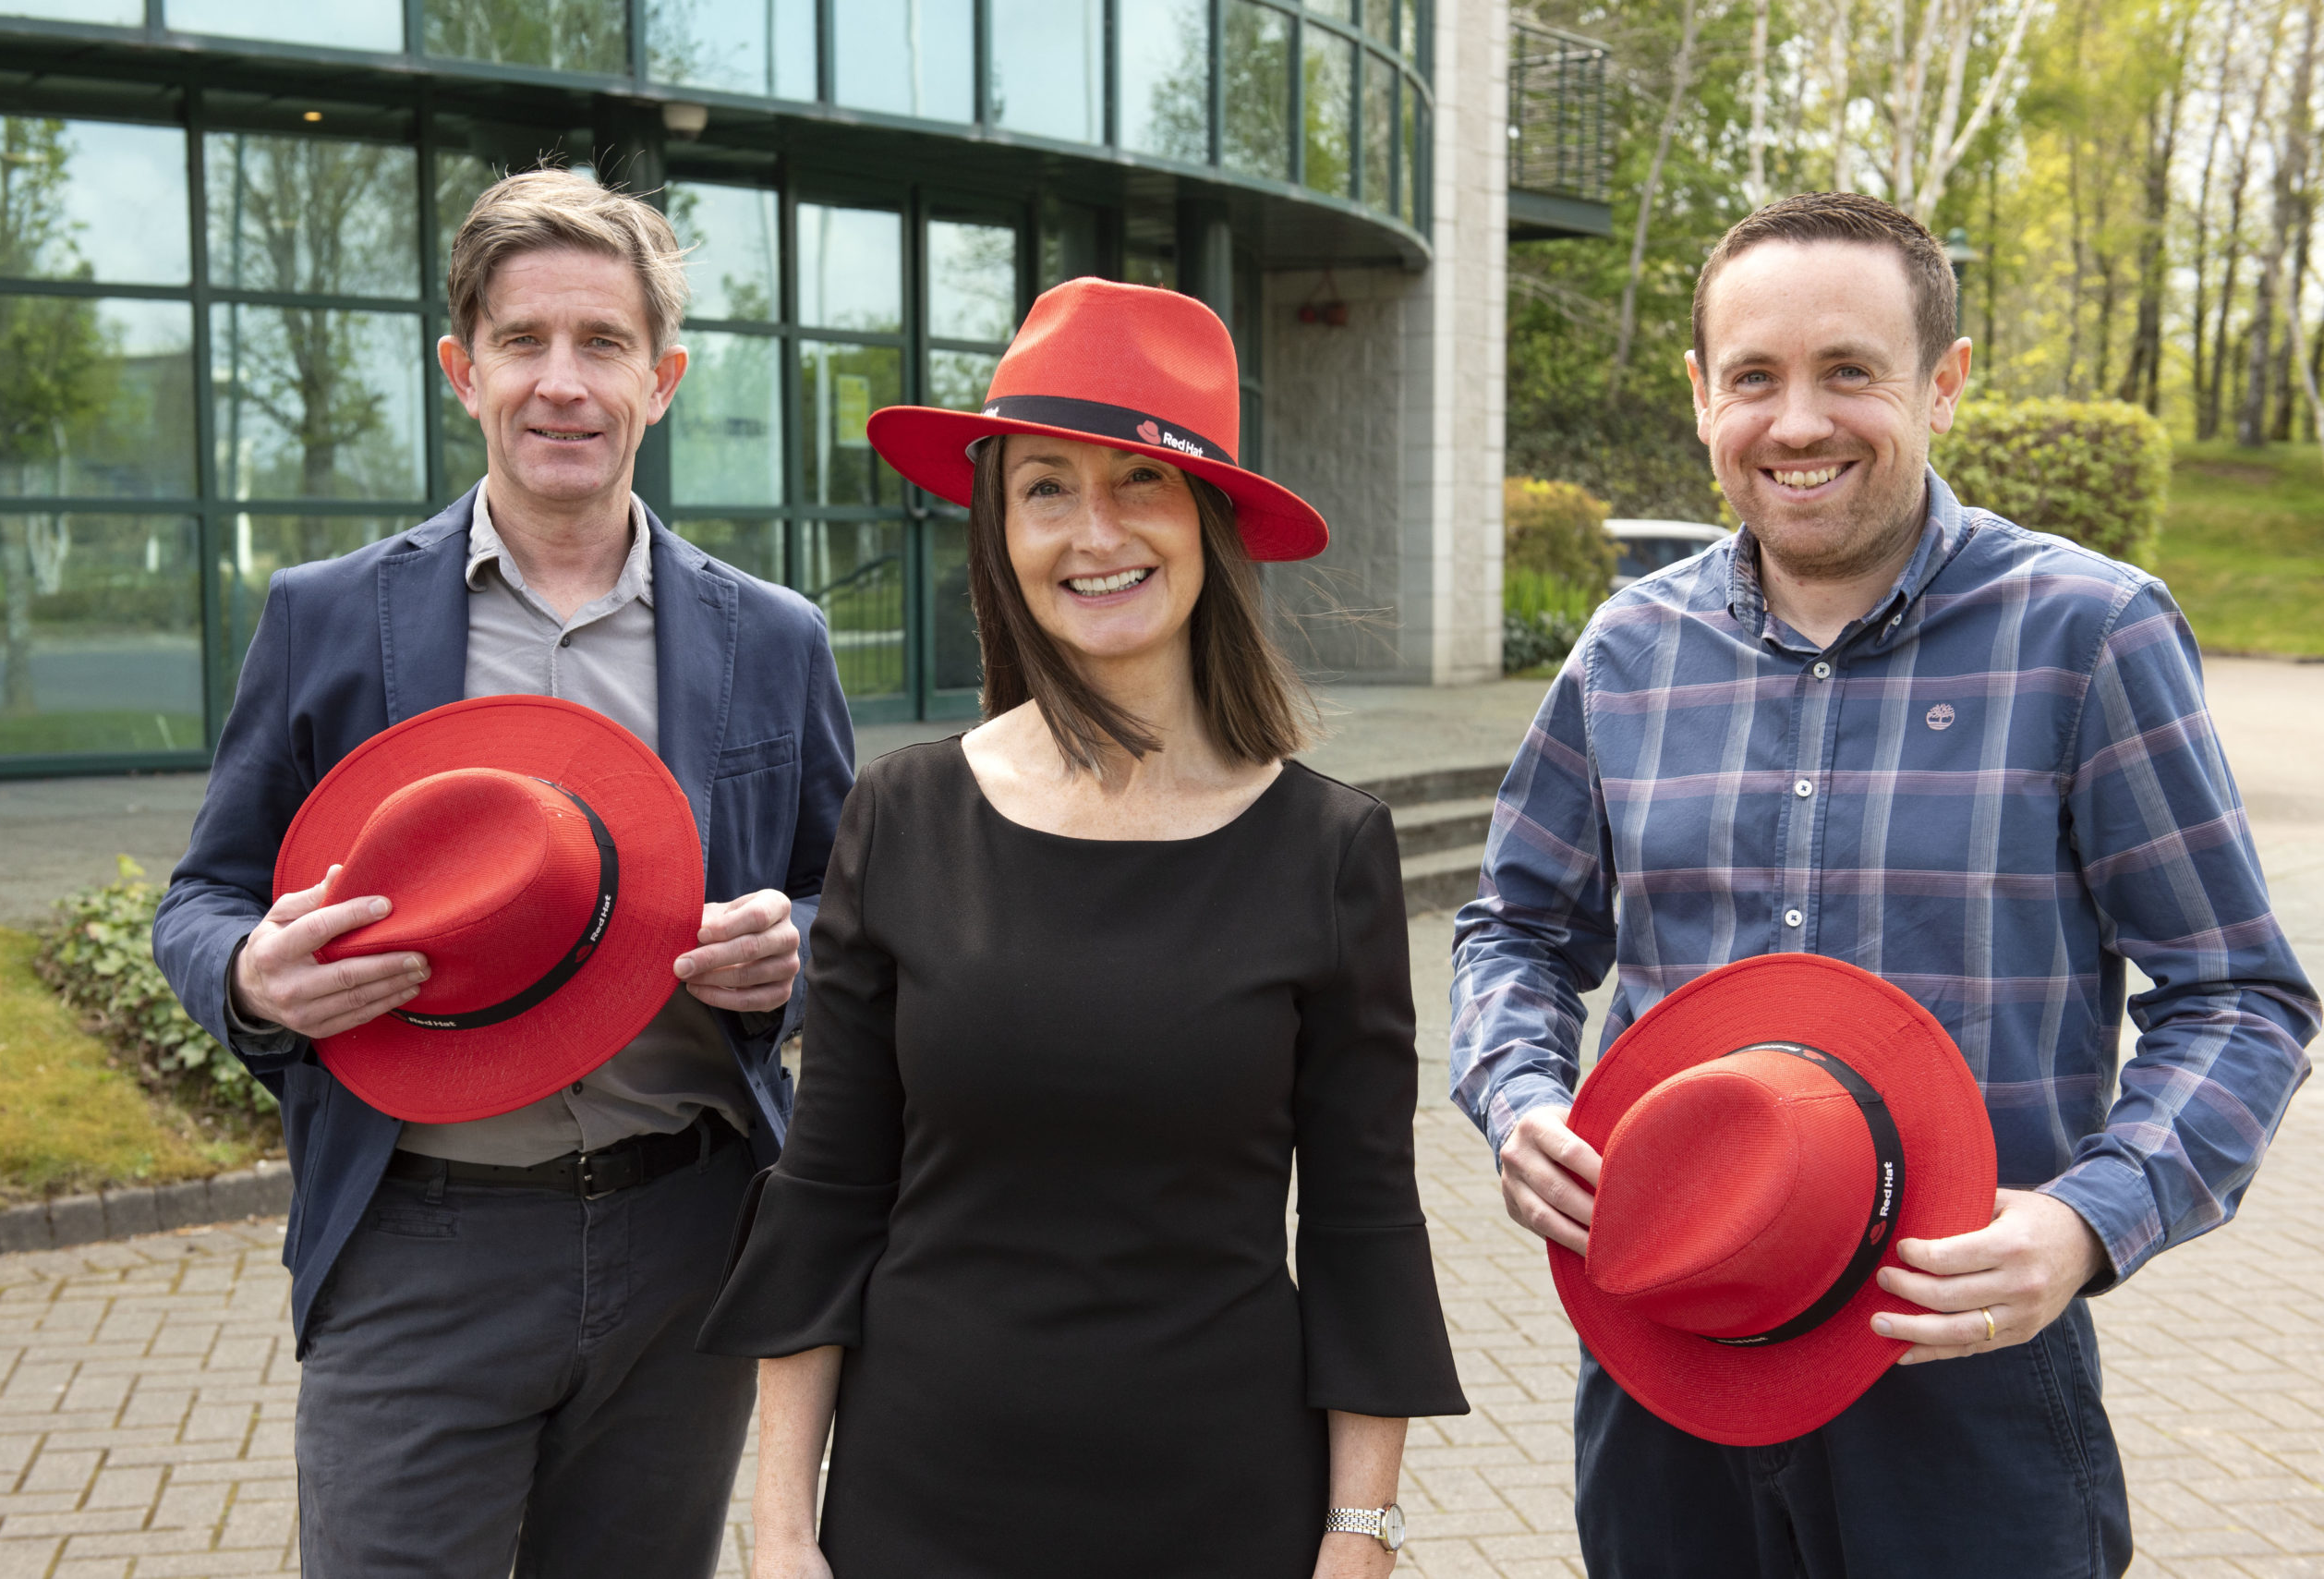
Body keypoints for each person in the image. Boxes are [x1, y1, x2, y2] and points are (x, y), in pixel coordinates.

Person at [1451, 190, 2318, 1578]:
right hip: (1677, 1338)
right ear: (1700, 397)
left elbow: (2241, 995)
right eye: (1755, 378)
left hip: (1966, 1367)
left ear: (1943, 383)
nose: (1798, 423)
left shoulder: (2087, 637)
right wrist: (1519, 1094)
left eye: (1849, 370)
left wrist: (2091, 1218)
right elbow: (1517, 928)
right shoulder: (1627, 653)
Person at [700, 278, 1468, 1579]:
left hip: (1226, 1508)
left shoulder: (1328, 849)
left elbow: (1363, 1224)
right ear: (1000, 529)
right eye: (1045, 487)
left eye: (1139, 483)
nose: (1091, 531)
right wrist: (780, 1534)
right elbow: (828, 1193)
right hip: (920, 1503)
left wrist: (1362, 1533)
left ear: (1210, 519)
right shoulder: (903, 814)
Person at [152, 168, 855, 1576]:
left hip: (686, 1239)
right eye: (524, 341)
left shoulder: (771, 638)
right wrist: (245, 969)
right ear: (460, 368)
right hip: (418, 1235)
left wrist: (802, 947)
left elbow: (859, 907)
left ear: (661, 378)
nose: (562, 383)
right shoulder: (329, 620)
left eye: (602, 344)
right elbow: (204, 896)